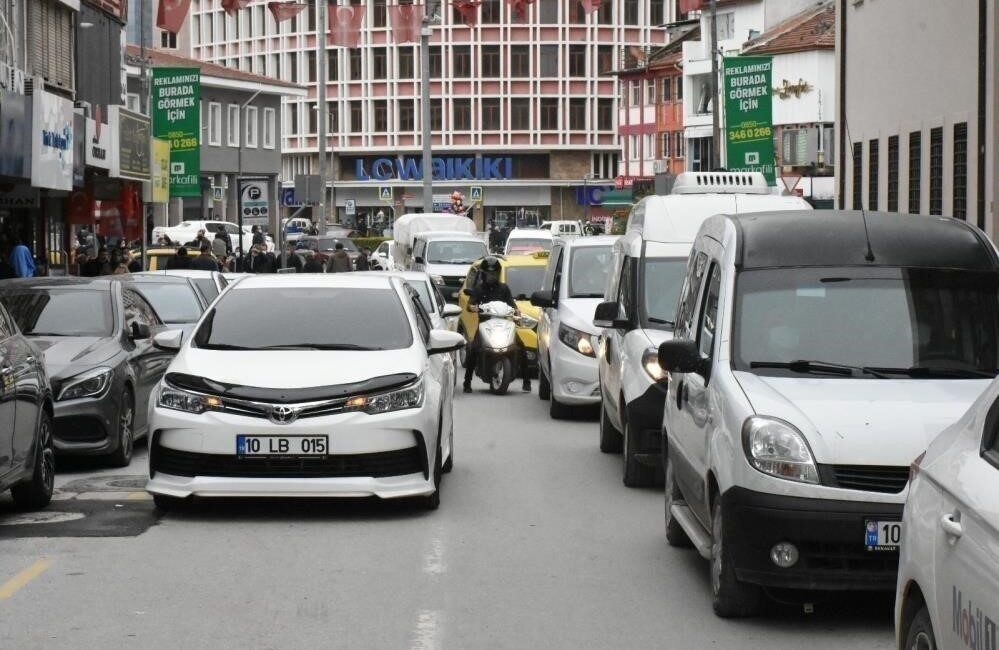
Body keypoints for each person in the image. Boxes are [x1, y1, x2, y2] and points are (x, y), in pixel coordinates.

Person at [462, 256, 530, 394]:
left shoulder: (504, 289)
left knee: (521, 347)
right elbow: (470, 303)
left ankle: (526, 381)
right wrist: (473, 307)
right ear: (483, 274)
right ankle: (467, 382)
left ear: (498, 274)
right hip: (485, 325)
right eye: (488, 274)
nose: (491, 276)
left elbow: (512, 304)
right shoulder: (479, 289)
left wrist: (516, 311)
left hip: (504, 324)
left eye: (493, 274)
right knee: (474, 348)